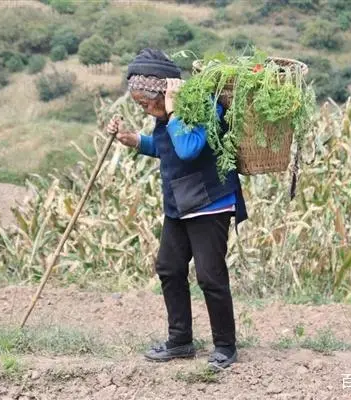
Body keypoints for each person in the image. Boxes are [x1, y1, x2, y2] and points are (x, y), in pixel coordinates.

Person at [106, 48, 248, 370]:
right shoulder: (163, 116)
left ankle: (225, 346)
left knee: (210, 276)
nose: (144, 109)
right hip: (179, 205)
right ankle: (181, 341)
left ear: (162, 92)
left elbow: (187, 148)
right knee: (169, 268)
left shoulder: (202, 106)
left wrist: (172, 112)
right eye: (139, 105)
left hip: (210, 204)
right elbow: (165, 146)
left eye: (146, 103)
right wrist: (134, 140)